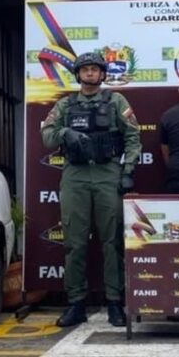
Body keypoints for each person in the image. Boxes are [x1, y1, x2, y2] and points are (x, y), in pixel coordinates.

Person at [41, 51, 141, 328]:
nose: (89, 73)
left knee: (112, 241)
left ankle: (114, 303)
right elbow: (47, 137)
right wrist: (65, 133)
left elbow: (133, 136)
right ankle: (76, 304)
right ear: (77, 74)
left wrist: (128, 171)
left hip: (108, 173)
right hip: (75, 176)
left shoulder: (116, 100)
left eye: (94, 69)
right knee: (74, 242)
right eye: (84, 69)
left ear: (102, 74)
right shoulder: (65, 105)